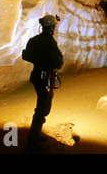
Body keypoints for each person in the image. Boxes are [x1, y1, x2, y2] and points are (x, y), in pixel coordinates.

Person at [22, 14, 63, 151]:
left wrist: (39, 61)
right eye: (54, 27)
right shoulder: (49, 41)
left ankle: (36, 134)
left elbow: (26, 55)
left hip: (36, 75)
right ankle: (32, 142)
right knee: (42, 108)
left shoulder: (34, 40)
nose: (55, 29)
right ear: (51, 27)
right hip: (45, 77)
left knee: (43, 104)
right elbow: (59, 62)